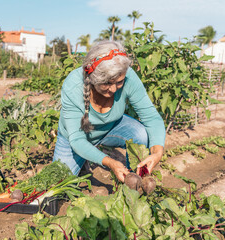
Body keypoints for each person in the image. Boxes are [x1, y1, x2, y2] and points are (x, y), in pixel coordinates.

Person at [53, 41, 165, 183]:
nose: (113, 89)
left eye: (119, 82)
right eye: (106, 83)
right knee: (57, 185)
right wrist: (110, 162)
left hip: (111, 128)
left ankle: (133, 182)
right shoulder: (73, 86)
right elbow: (77, 140)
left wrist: (157, 152)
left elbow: (152, 117)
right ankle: (83, 162)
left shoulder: (128, 77)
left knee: (141, 134)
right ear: (92, 78)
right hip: (74, 138)